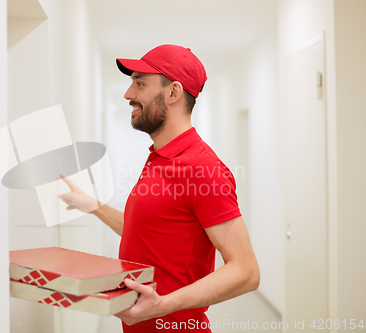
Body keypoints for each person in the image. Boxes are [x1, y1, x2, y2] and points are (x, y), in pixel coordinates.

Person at [58, 44, 259, 333]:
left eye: (139, 83)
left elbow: (246, 271)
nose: (128, 94)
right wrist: (93, 206)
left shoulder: (201, 168)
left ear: (173, 93)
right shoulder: (159, 156)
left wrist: (161, 306)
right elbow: (147, 231)